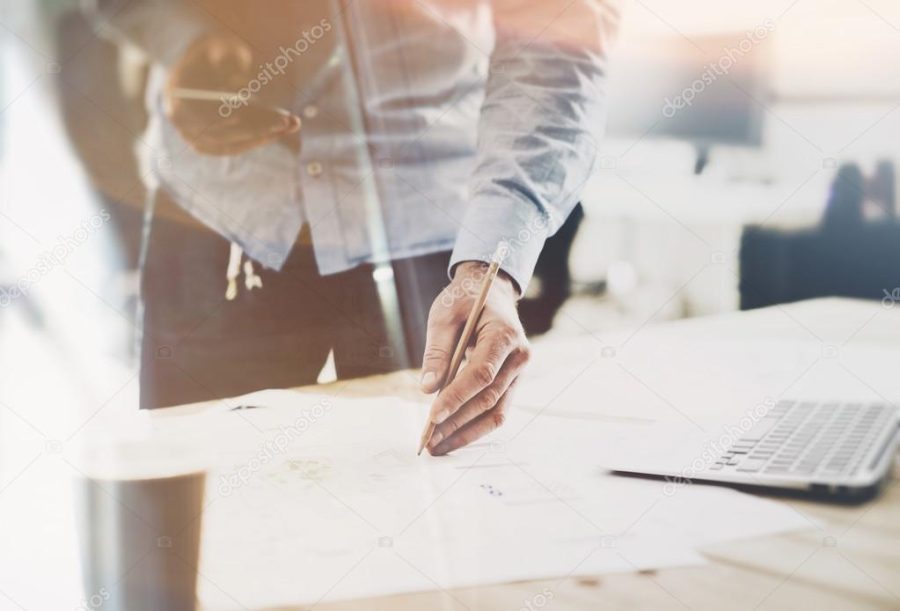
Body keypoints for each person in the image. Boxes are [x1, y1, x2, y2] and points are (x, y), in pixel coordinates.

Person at [87, 0, 620, 455]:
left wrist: (493, 264)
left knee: (433, 516)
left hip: (438, 242)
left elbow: (558, 36)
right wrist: (181, 40)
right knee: (209, 522)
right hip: (222, 225)